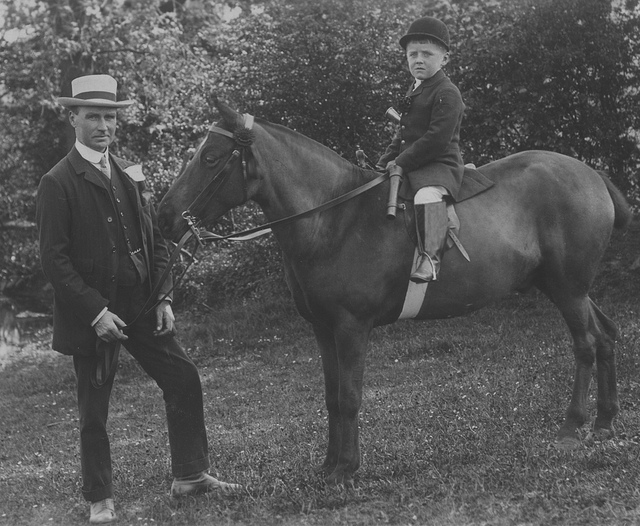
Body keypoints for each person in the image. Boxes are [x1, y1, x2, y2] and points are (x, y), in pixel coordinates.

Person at [36, 74, 241, 524]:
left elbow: (156, 239)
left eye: (109, 117)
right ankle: (100, 499)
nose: (103, 126)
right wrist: (95, 313)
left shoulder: (128, 172)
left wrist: (164, 297)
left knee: (183, 377)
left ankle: (191, 475)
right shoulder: (57, 182)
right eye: (93, 116)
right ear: (73, 119)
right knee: (94, 411)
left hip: (143, 304)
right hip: (94, 312)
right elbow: (54, 261)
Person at [378, 16, 465, 282]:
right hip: (415, 164)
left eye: (427, 54)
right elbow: (403, 135)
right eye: (412, 54)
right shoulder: (416, 89)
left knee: (427, 195)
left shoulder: (447, 92)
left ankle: (431, 259)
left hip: (439, 165)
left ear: (444, 59)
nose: (418, 60)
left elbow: (437, 140)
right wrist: (382, 163)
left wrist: (401, 162)